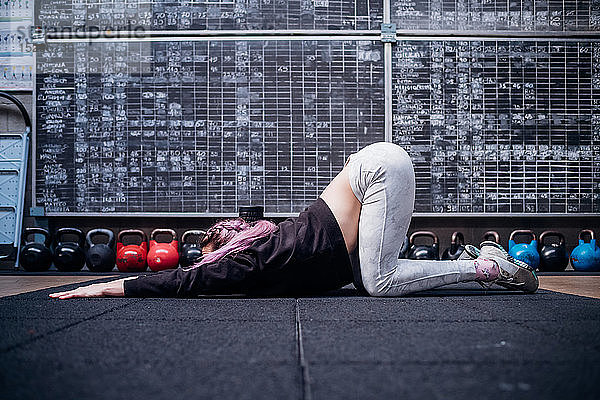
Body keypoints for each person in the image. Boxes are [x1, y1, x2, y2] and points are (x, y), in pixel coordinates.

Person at [50, 142, 538, 300]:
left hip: (379, 171)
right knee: (373, 278)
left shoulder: (256, 256)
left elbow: (190, 279)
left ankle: (488, 266)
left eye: (217, 244)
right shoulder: (276, 246)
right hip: (376, 170)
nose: (216, 252)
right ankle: (483, 263)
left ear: (228, 247)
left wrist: (109, 287)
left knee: (381, 282)